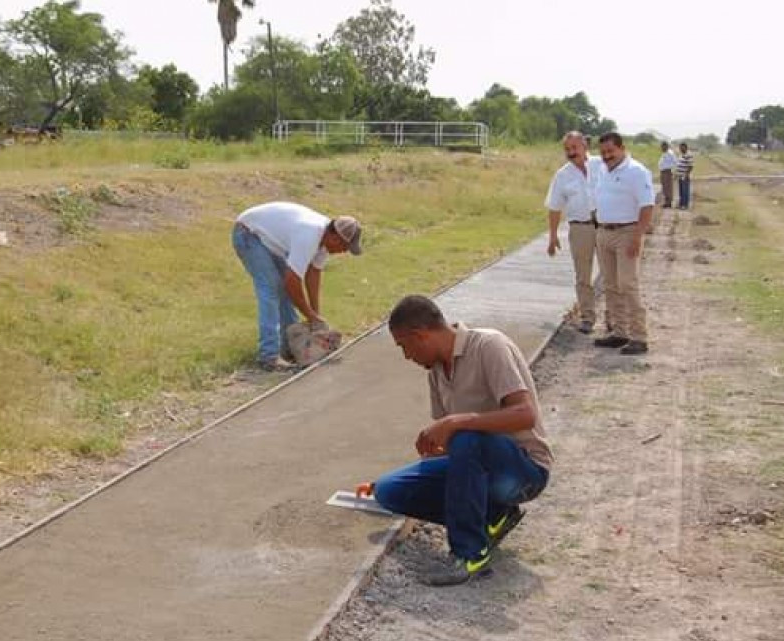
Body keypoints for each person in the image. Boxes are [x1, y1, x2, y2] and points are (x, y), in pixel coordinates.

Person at [363, 295, 552, 587]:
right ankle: (494, 513)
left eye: (404, 346)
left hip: (523, 470)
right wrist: (425, 461)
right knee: (390, 491)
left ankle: (470, 554)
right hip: (478, 465)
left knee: (465, 437)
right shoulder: (436, 372)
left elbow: (525, 414)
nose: (406, 356)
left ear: (420, 335)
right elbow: (451, 449)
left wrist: (457, 422)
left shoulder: (489, 346)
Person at [232, 202, 363, 371]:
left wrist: (316, 319)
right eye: (344, 247)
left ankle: (290, 348)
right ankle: (268, 357)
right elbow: (292, 282)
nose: (344, 252)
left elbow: (313, 274)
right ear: (335, 237)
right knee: (271, 288)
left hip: (268, 242)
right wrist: (310, 315)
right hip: (248, 233)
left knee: (285, 292)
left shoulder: (324, 242)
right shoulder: (309, 235)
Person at [593, 133, 655, 355]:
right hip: (604, 232)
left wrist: (638, 236)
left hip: (627, 232)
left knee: (627, 284)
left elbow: (647, 206)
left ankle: (639, 336)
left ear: (622, 148)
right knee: (610, 285)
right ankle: (619, 332)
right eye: (603, 153)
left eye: (611, 151)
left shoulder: (636, 172)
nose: (607, 156)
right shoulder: (602, 170)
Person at [545, 131, 604, 335]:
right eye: (567, 149)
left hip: (606, 226)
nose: (571, 152)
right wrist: (553, 236)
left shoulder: (602, 165)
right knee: (583, 276)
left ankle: (615, 320)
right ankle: (588, 318)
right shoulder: (562, 175)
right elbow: (554, 207)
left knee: (612, 274)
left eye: (574, 148)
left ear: (585, 146)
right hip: (580, 228)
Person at [658, 141, 677, 209]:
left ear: (666, 146)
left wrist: (670, 169)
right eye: (661, 146)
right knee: (664, 188)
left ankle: (669, 203)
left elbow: (675, 162)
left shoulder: (670, 153)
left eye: (663, 146)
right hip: (663, 172)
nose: (661, 148)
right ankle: (666, 202)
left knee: (668, 188)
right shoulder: (664, 153)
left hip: (667, 172)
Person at [676, 143, 695, 210]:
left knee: (685, 191)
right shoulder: (681, 154)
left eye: (682, 148)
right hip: (680, 175)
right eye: (680, 148)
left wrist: (686, 175)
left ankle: (685, 205)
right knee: (681, 191)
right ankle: (681, 204)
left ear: (685, 147)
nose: (680, 149)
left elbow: (690, 166)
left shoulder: (688, 155)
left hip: (685, 175)